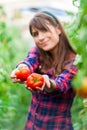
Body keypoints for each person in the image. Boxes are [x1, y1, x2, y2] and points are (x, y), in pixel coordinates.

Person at [10, 11, 78, 130]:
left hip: (58, 127)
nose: (40, 37)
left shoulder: (73, 61)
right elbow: (30, 61)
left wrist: (48, 83)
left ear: (58, 29)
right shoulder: (38, 52)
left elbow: (61, 85)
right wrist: (22, 69)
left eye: (45, 30)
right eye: (35, 34)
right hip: (32, 124)